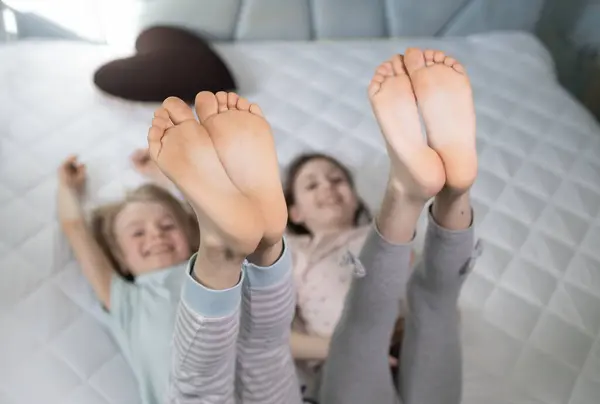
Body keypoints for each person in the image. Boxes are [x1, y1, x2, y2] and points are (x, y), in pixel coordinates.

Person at [158, 47, 479, 404]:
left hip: (395, 343)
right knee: (409, 312)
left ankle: (441, 189)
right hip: (346, 353)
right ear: (295, 212)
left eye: (337, 179)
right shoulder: (300, 250)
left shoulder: (367, 236)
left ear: (356, 198)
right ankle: (443, 192)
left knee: (424, 310)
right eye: (311, 185)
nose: (327, 187)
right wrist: (331, 345)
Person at [57, 158, 199, 404]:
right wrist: (67, 189)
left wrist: (162, 176)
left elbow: (201, 214)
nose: (156, 234)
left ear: (190, 235)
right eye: (137, 233)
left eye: (167, 226)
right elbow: (76, 229)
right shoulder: (127, 301)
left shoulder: (213, 272)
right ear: (121, 259)